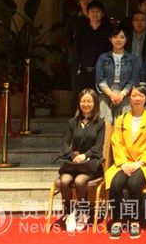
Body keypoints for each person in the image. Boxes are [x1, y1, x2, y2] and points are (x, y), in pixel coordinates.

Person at [104, 85, 146, 239]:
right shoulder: (122, 119)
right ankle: (117, 220)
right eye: (134, 95)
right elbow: (116, 142)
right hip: (123, 162)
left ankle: (134, 220)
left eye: (141, 95)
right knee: (116, 183)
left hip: (143, 164)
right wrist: (123, 162)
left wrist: (141, 162)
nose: (137, 98)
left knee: (134, 183)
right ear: (129, 98)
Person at [57, 88, 105, 233]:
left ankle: (84, 213)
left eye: (89, 101)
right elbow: (65, 144)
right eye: (83, 101)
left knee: (79, 181)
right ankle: (69, 213)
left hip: (90, 165)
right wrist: (73, 155)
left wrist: (84, 156)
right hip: (73, 164)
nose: (86, 104)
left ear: (95, 103)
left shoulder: (100, 123)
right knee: (65, 180)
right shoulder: (72, 122)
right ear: (79, 103)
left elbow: (98, 147)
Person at [95, 27, 140, 124]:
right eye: (115, 37)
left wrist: (121, 94)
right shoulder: (103, 57)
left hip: (125, 95)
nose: (118, 40)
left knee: (123, 123)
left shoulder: (133, 58)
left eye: (122, 37)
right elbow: (99, 79)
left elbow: (133, 80)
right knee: (105, 123)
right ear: (110, 39)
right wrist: (111, 94)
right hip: (106, 93)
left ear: (126, 40)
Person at [72, 0, 111, 99]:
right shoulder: (81, 29)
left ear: (102, 14)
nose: (94, 14)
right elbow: (76, 50)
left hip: (102, 72)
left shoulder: (108, 30)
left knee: (99, 99)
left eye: (97, 11)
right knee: (81, 98)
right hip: (83, 71)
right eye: (92, 11)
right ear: (87, 13)